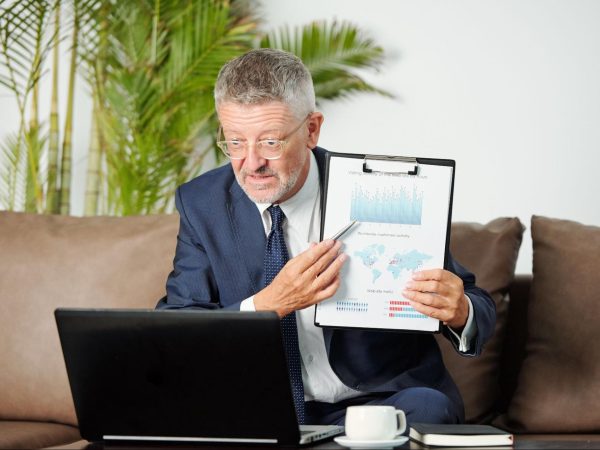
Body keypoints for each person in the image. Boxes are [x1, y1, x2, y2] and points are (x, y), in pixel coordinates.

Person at [156, 48, 495, 428]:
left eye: (270, 142)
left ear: (312, 129)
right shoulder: (202, 204)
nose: (251, 163)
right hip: (261, 405)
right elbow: (176, 329)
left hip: (382, 401)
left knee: (428, 408)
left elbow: (477, 306)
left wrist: (460, 310)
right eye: (235, 142)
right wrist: (269, 305)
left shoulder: (381, 187)